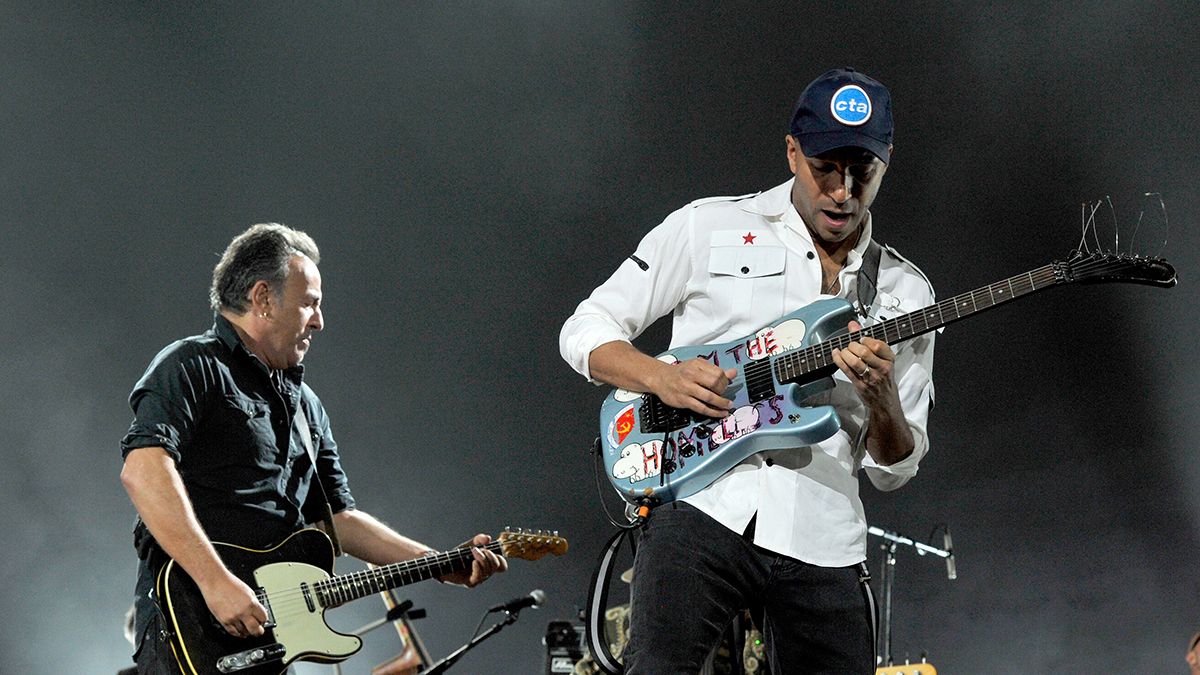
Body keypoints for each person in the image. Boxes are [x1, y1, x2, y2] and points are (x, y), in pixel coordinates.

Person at [559, 68, 935, 674]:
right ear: (792, 152)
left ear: (886, 161)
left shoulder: (906, 294)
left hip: (824, 533)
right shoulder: (709, 227)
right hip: (704, 505)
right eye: (825, 168)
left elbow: (895, 468)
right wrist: (662, 378)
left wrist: (882, 397)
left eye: (861, 171)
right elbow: (585, 329)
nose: (842, 192)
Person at [120, 223, 506, 673]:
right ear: (263, 298)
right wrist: (216, 582)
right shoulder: (192, 366)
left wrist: (436, 562)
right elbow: (144, 471)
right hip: (187, 624)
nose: (319, 321)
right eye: (310, 304)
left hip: (265, 634)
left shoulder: (306, 407)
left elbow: (337, 520)